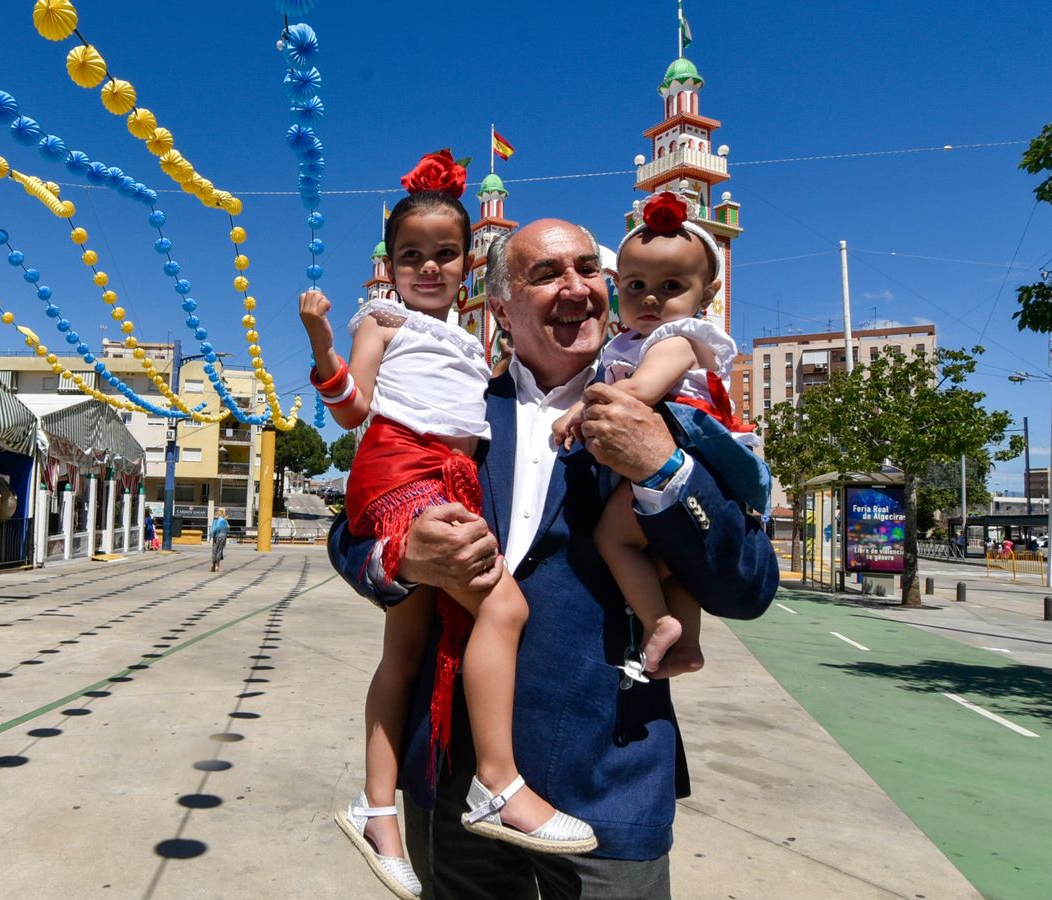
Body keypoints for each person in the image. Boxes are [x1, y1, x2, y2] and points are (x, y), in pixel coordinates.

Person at [329, 215, 778, 899]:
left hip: (608, 786)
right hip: (451, 789)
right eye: (546, 274)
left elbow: (747, 585)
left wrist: (661, 468)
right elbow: (351, 531)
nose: (577, 288)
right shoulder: (453, 410)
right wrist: (404, 560)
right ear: (501, 311)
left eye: (588, 270)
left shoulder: (673, 411)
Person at [303, 153, 595, 900]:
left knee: (402, 653)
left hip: (448, 479)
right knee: (503, 604)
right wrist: (320, 342)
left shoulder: (477, 354)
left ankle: (376, 809)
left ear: (470, 268)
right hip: (406, 473)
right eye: (410, 256)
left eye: (443, 256)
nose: (427, 269)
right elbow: (353, 411)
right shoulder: (386, 320)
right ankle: (494, 783)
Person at [554, 191, 765, 679]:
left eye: (670, 285)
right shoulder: (628, 341)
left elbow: (640, 392)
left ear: (707, 293)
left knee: (616, 539)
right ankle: (686, 645)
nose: (650, 297)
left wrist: (581, 411)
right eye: (635, 285)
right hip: (666, 465)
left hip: (681, 453)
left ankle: (659, 621)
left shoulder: (678, 339)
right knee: (671, 563)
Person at [209, 507, 230, 573]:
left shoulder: (215, 519)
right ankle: (217, 566)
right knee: (219, 551)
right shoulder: (223, 520)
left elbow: (213, 528)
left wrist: (211, 535)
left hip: (215, 536)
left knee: (214, 550)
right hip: (222, 536)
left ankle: (213, 565)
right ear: (223, 512)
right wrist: (225, 520)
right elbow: (228, 528)